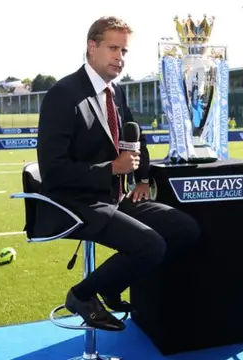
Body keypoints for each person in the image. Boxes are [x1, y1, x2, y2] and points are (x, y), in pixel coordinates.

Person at [35, 16, 200, 331]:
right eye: (113, 48)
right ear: (91, 47)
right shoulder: (63, 94)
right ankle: (82, 296)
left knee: (184, 228)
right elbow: (53, 171)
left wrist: (141, 178)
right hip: (73, 200)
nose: (120, 58)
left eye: (124, 51)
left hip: (115, 196)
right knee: (151, 245)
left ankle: (113, 285)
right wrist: (112, 168)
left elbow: (137, 138)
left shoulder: (116, 92)